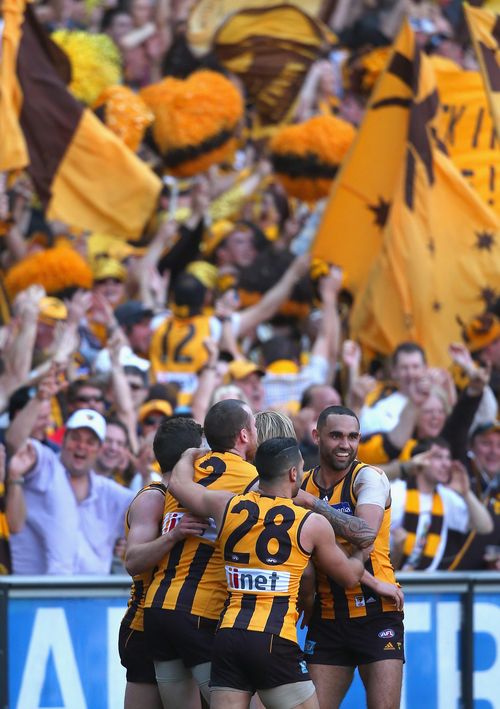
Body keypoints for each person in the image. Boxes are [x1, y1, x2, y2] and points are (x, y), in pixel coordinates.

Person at [168, 437, 371, 709]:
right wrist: (363, 551)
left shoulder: (227, 505)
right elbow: (349, 577)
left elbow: (179, 485)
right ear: (292, 473)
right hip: (274, 639)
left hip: (229, 635)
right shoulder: (310, 523)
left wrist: (188, 453)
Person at [143, 399, 260, 706]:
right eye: (254, 426)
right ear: (244, 436)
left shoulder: (185, 470)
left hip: (156, 607)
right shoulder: (252, 479)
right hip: (200, 611)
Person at [299, 405, 404, 709]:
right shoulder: (302, 483)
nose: (345, 444)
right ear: (316, 436)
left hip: (377, 613)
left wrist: (313, 505)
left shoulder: (369, 478)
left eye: (353, 436)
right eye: (336, 436)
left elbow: (366, 537)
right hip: (328, 618)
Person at [119, 417, 205, 709]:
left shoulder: (189, 497)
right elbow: (132, 560)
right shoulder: (154, 498)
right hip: (144, 625)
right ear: (193, 455)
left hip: (176, 620)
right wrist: (174, 535)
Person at [8, 409, 134, 574]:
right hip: (32, 594)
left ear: (99, 448)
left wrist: (146, 475)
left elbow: (150, 509)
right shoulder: (45, 465)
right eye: (75, 438)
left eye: (90, 442)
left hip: (95, 596)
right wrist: (39, 400)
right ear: (63, 439)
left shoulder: (110, 493)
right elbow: (14, 442)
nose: (81, 446)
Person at [390, 438, 494, 571]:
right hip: (389, 580)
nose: (446, 464)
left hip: (425, 586)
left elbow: (484, 526)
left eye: (448, 458)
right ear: (420, 460)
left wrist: (466, 493)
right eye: (438, 457)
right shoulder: (395, 492)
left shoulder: (445, 497)